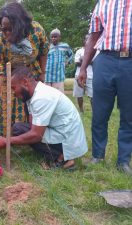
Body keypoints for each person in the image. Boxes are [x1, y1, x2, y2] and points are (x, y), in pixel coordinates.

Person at [0, 66, 88, 169]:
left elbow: (36, 135)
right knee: (19, 128)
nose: (13, 93)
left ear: (25, 82)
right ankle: (56, 153)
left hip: (69, 141)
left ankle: (64, 159)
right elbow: (32, 125)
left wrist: (7, 141)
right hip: (61, 133)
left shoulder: (42, 97)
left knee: (28, 133)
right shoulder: (32, 94)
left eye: (14, 88)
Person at [78, 0, 132, 175]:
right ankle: (98, 155)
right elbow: (94, 36)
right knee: (100, 112)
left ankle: (123, 161)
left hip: (130, 62)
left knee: (129, 115)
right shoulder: (102, 3)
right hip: (105, 60)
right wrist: (84, 68)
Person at [0, 2, 49, 136]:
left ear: (21, 24)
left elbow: (44, 51)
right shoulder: (0, 39)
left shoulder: (36, 31)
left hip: (31, 73)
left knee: (32, 104)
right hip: (9, 76)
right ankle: (7, 137)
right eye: (3, 29)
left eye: (10, 29)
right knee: (6, 107)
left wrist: (42, 73)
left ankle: (29, 137)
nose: (6, 33)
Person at [45, 28, 73, 93]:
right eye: (52, 37)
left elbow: (71, 55)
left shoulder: (65, 46)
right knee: (48, 95)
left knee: (58, 95)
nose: (53, 38)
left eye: (55, 37)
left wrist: (67, 62)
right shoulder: (47, 46)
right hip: (47, 75)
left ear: (59, 37)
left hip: (59, 76)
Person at [73, 34, 95, 113]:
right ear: (84, 41)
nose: (87, 41)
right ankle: (81, 110)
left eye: (89, 39)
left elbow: (95, 62)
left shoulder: (95, 50)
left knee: (92, 95)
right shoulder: (79, 51)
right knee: (79, 94)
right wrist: (89, 61)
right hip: (79, 75)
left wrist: (83, 60)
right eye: (86, 39)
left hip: (91, 75)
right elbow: (76, 63)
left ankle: (94, 111)